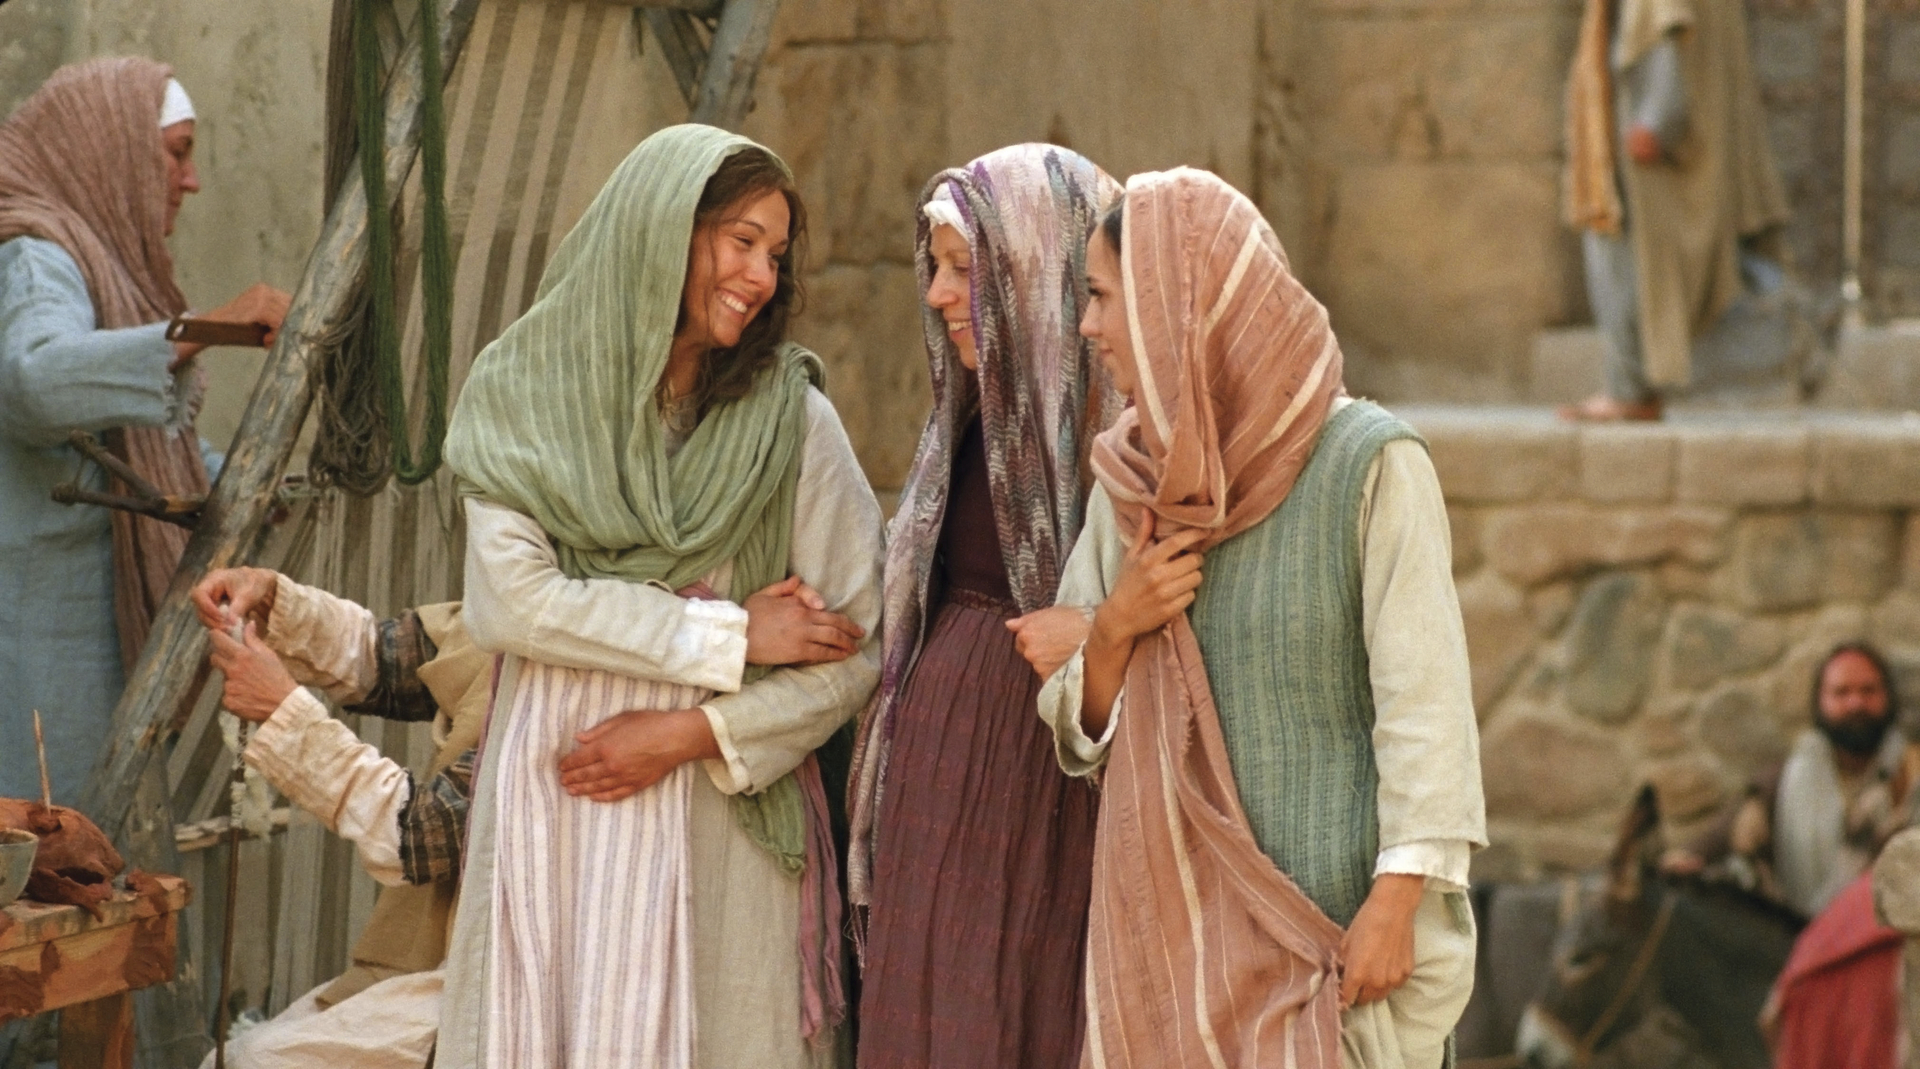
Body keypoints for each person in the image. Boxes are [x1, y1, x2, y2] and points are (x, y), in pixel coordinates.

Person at [436, 124, 883, 1069]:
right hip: (553, 804)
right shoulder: (522, 399)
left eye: (776, 252)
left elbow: (857, 651)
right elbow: (514, 604)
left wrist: (691, 736)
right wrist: (731, 631)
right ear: (661, 229)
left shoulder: (792, 422)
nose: (760, 275)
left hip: (721, 821)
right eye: (739, 240)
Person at [1032, 169, 1486, 1069]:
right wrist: (1116, 626)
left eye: (1102, 298)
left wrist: (1397, 900)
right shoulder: (1132, 485)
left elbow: (1424, 701)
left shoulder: (1370, 465)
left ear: (1180, 307)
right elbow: (1080, 734)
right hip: (1171, 949)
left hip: (1330, 958)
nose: (1088, 327)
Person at [181, 560, 863, 1069]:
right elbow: (393, 658)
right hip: (472, 953)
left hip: (543, 975)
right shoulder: (546, 589)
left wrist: (283, 712)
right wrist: (279, 603)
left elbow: (421, 836)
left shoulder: (608, 649)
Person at [844, 145, 1120, 1069]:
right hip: (936, 807)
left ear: (1034, 270)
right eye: (938, 269)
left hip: (1047, 806)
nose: (938, 295)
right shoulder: (962, 429)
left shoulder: (1121, 450)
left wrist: (1095, 635)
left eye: (967, 270)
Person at [0, 56, 289, 804]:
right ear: (113, 149)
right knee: (56, 881)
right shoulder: (35, 254)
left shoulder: (95, 261)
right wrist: (207, 328)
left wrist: (247, 485)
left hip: (85, 646)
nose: (189, 181)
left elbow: (141, 449)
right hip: (36, 651)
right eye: (177, 151)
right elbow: (32, 382)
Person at [1558, 0, 1788, 420]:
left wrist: (1655, 119)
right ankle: (1633, 387)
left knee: (1623, 257)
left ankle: (1630, 389)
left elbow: (1661, 29)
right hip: (1678, 135)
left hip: (1647, 144)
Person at [1665, 642, 1918, 918]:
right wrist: (1682, 860)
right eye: (1841, 692)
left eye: (1868, 691)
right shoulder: (1784, 780)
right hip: (1800, 940)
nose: (1855, 703)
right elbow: (1723, 836)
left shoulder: (1912, 774)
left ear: (1888, 697)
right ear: (1820, 702)